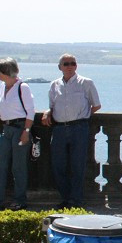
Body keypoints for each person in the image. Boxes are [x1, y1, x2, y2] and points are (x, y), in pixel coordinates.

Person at [41, 54, 101, 207]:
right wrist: (48, 112)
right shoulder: (55, 85)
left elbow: (96, 105)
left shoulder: (86, 83)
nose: (70, 66)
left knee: (77, 165)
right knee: (58, 165)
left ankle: (76, 200)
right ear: (60, 67)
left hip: (79, 128)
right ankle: (65, 198)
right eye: (66, 63)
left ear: (76, 66)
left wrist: (82, 116)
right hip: (59, 129)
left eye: (72, 63)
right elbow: (52, 104)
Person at [0, 58, 35, 210]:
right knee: (0, 164)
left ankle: (19, 200)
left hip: (20, 128)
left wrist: (26, 131)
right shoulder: (3, 86)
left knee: (18, 166)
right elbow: (1, 103)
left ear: (7, 72)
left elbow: (30, 111)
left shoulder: (22, 87)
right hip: (6, 130)